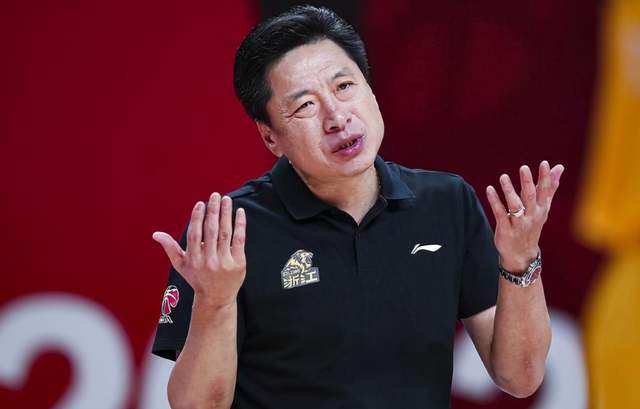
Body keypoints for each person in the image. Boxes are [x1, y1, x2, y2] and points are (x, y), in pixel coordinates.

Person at [151, 5, 564, 409]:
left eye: (344, 86)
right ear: (270, 137)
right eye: (305, 105)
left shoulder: (446, 203)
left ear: (370, 88)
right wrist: (216, 302)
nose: (336, 117)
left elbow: (520, 377)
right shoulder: (229, 232)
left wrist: (521, 262)